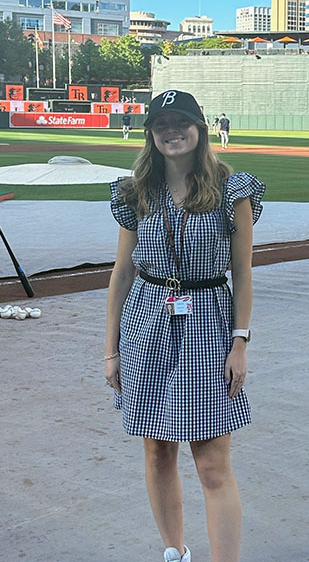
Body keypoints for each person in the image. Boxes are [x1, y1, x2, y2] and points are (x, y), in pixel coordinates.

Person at [105, 88, 264, 562]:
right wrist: (110, 349)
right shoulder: (135, 191)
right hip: (146, 323)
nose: (171, 132)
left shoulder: (230, 189)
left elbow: (243, 272)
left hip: (208, 323)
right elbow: (121, 271)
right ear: (151, 134)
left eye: (181, 123)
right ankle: (175, 551)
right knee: (157, 451)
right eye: (161, 125)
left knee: (212, 462)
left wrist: (240, 343)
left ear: (199, 129)